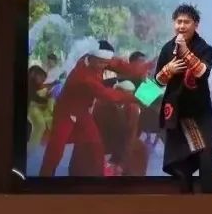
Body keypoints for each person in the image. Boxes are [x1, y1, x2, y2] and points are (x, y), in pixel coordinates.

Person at [38, 40, 147, 176]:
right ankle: (44, 179)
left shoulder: (98, 60)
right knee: (55, 151)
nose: (104, 66)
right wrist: (140, 97)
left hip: (83, 113)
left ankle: (97, 176)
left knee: (95, 146)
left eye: (106, 62)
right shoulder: (83, 76)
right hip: (66, 112)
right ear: (92, 57)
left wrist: (146, 67)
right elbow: (108, 94)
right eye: (101, 62)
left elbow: (119, 65)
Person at [155, 4, 212, 193]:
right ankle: (185, 198)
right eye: (178, 22)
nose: (181, 26)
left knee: (205, 153)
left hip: (198, 110)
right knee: (179, 160)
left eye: (186, 22)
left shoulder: (204, 48)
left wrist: (185, 52)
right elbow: (157, 81)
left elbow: (202, 73)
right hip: (176, 110)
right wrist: (168, 70)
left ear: (196, 24)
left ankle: (210, 200)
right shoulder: (167, 49)